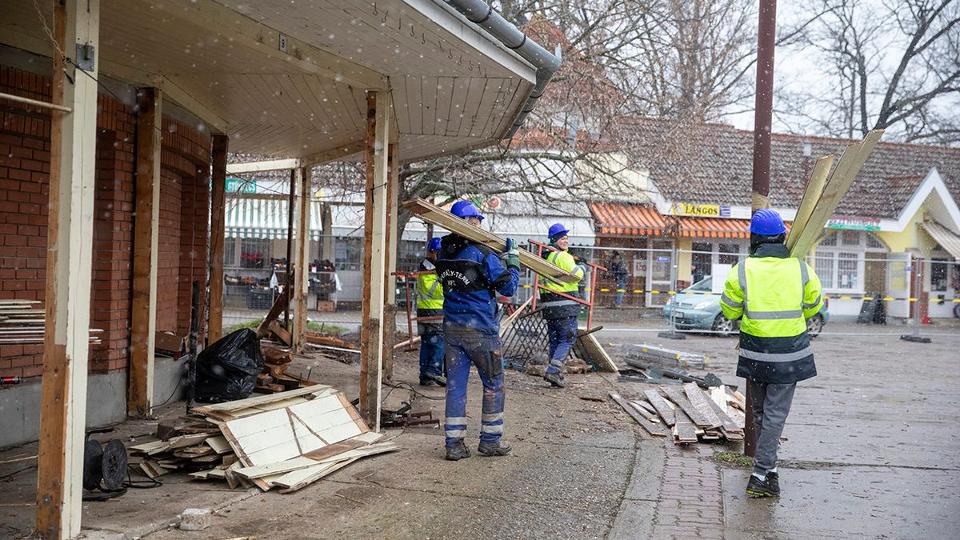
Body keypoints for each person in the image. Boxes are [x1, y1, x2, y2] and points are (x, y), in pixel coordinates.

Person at [719, 209, 823, 498]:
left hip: (756, 353)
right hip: (789, 354)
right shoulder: (801, 268)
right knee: (774, 415)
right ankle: (761, 473)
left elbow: (729, 310)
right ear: (782, 237)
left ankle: (769, 472)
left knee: (762, 413)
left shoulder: (742, 270)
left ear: (753, 239)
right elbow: (814, 307)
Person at [434, 200, 520, 461]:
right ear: (468, 222)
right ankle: (490, 440)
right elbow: (508, 289)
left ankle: (454, 444)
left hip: (452, 329)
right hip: (481, 330)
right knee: (493, 384)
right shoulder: (483, 253)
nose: (480, 224)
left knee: (455, 386)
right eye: (476, 220)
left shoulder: (444, 254)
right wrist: (513, 263)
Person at [538, 223, 585, 388]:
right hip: (565, 306)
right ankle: (553, 370)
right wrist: (582, 267)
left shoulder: (547, 258)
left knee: (555, 340)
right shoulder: (563, 257)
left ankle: (555, 374)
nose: (566, 241)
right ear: (555, 240)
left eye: (566, 238)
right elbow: (577, 275)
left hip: (550, 307)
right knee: (567, 338)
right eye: (562, 238)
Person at [416, 238, 446, 387]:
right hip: (434, 310)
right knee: (440, 342)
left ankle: (424, 375)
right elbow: (434, 290)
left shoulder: (427, 266)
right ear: (432, 252)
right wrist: (447, 282)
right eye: (439, 252)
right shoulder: (429, 268)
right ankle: (433, 370)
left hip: (424, 311)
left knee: (427, 343)